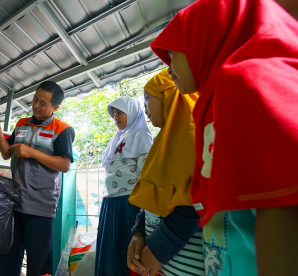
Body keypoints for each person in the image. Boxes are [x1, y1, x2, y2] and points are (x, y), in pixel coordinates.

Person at [148, 0, 298, 275]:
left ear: (208, 38)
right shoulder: (214, 100)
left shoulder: (242, 81)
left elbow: (280, 201)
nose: (168, 66)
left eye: (173, 51)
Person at [0, 81, 75, 276]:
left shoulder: (62, 130)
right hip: (14, 203)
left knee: (38, 262)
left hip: (40, 206)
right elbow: (6, 153)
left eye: (43, 103)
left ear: (55, 107)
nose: (35, 105)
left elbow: (65, 164)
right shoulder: (21, 124)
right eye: (35, 99)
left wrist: (33, 153)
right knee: (8, 257)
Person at [127, 69, 203, 276]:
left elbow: (195, 204)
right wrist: (139, 233)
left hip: (187, 263)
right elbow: (154, 196)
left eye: (147, 100)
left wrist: (159, 249)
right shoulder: (161, 143)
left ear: (169, 94)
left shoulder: (197, 137)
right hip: (162, 263)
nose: (145, 110)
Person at [95, 97, 153, 276]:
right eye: (113, 114)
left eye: (120, 112)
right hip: (110, 203)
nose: (115, 117)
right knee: (109, 255)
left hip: (129, 203)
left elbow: (145, 175)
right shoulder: (118, 138)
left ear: (133, 111)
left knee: (123, 255)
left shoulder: (142, 135)